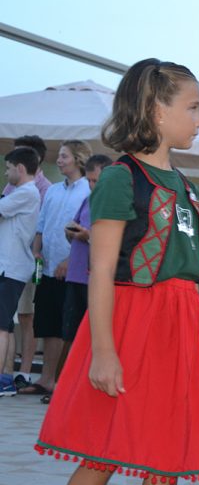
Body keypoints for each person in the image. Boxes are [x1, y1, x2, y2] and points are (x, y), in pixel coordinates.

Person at [35, 58, 199, 483]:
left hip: (180, 320)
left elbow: (186, 273)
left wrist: (198, 353)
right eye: (192, 107)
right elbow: (100, 271)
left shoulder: (186, 185)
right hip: (133, 321)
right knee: (103, 451)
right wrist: (104, 350)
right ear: (157, 110)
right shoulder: (121, 177)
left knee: (166, 451)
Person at [20, 139, 92, 396]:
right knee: (47, 321)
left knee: (66, 325)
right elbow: (42, 223)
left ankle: (61, 380)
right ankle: (46, 378)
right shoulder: (53, 190)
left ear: (78, 159)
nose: (59, 160)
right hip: (46, 265)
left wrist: (69, 261)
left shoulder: (88, 191)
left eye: (64, 156)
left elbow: (83, 230)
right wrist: (36, 250)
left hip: (70, 269)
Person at [45, 155, 113, 405]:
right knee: (70, 332)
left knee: (89, 336)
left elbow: (113, 243)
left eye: (97, 180)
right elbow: (79, 232)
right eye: (91, 180)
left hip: (97, 279)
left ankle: (75, 390)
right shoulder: (88, 200)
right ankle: (61, 388)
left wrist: (87, 236)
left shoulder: (115, 204)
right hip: (76, 274)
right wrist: (71, 233)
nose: (94, 185)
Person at [2, 135, 51, 390]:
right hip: (10, 261)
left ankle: (20, 373)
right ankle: (9, 374)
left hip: (25, 261)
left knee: (22, 318)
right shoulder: (15, 187)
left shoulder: (39, 189)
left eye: (12, 163)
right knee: (9, 321)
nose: (9, 167)